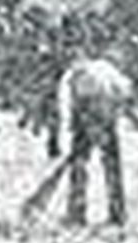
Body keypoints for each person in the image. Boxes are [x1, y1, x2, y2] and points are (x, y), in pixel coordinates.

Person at [21, 50, 132, 227]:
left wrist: (74, 132)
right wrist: (110, 117)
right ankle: (118, 213)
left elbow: (65, 106)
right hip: (108, 119)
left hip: (86, 117)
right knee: (112, 167)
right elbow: (125, 93)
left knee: (79, 166)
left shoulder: (73, 75)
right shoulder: (108, 70)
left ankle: (76, 213)